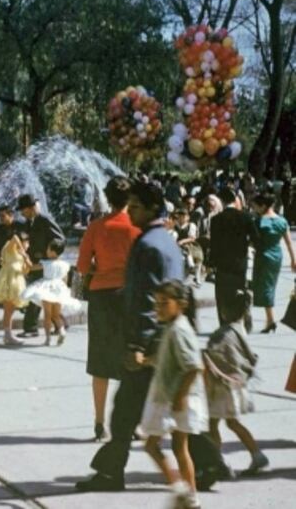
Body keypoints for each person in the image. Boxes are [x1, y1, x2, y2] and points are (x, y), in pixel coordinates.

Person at [76, 181, 223, 493]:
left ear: (153, 208)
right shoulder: (164, 241)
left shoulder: (148, 245)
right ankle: (208, 464)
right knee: (161, 408)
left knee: (126, 411)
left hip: (153, 342)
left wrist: (138, 346)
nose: (131, 212)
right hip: (168, 337)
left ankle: (111, 473)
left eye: (137, 207)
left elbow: (147, 301)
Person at [76, 175, 140, 441]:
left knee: (100, 363)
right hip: (128, 296)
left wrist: (98, 269)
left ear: (108, 197)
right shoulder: (136, 228)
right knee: (130, 361)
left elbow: (81, 266)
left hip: (101, 297)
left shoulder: (95, 227)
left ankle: (99, 423)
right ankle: (130, 423)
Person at [140, 280, 208, 509]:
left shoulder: (179, 330)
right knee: (180, 448)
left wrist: (181, 396)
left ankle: (181, 489)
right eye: (156, 303)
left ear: (181, 304)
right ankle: (191, 497)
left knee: (152, 445)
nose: (158, 308)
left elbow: (194, 366)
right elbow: (168, 360)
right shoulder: (172, 327)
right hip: (173, 396)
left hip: (175, 398)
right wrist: (146, 360)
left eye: (164, 303)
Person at [203, 289, 268, 477]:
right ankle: (256, 453)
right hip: (235, 385)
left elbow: (214, 357)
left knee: (212, 424)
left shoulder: (222, 334)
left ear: (226, 311)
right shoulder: (240, 328)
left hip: (223, 388)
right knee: (232, 423)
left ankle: (217, 463)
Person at [17, 194, 64, 337]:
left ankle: (31, 328)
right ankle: (60, 325)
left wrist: (50, 256)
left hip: (44, 264)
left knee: (36, 295)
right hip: (34, 263)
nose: (21, 213)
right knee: (44, 296)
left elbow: (60, 239)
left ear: (31, 208)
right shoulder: (28, 222)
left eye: (23, 210)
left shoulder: (45, 220)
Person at [20, 239, 82, 346]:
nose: (47, 251)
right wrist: (65, 291)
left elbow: (31, 267)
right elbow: (65, 280)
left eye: (48, 249)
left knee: (47, 315)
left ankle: (48, 339)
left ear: (53, 252)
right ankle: (62, 331)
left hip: (46, 289)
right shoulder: (65, 265)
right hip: (59, 290)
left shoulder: (46, 263)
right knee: (56, 315)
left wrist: (25, 258)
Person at [250, 191, 296, 333]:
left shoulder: (259, 221)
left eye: (255, 206)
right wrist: (293, 260)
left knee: (264, 287)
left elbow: (253, 241)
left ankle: (270, 321)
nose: (254, 209)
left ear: (263, 206)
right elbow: (289, 243)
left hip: (263, 256)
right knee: (269, 285)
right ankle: (269, 320)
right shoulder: (282, 221)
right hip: (277, 256)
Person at [210, 187, 256, 326]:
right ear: (235, 201)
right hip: (240, 262)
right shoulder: (246, 217)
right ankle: (240, 320)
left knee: (222, 294)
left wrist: (211, 263)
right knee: (239, 291)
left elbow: (214, 244)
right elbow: (256, 238)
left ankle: (224, 323)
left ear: (222, 201)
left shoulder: (216, 219)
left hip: (223, 264)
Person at [0, 231, 31, 345]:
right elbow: (14, 237)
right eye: (27, 242)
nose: (29, 245)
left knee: (10, 309)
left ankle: (8, 334)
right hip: (9, 280)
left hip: (17, 281)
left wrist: (27, 262)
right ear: (22, 242)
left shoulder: (21, 254)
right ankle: (8, 335)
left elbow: (25, 271)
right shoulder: (10, 248)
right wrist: (22, 251)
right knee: (8, 309)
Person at [174, 208, 204, 283]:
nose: (182, 217)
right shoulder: (176, 225)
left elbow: (192, 238)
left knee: (188, 249)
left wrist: (182, 241)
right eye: (180, 215)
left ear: (188, 217)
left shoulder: (191, 225)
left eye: (184, 216)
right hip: (176, 244)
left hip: (189, 244)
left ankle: (191, 265)